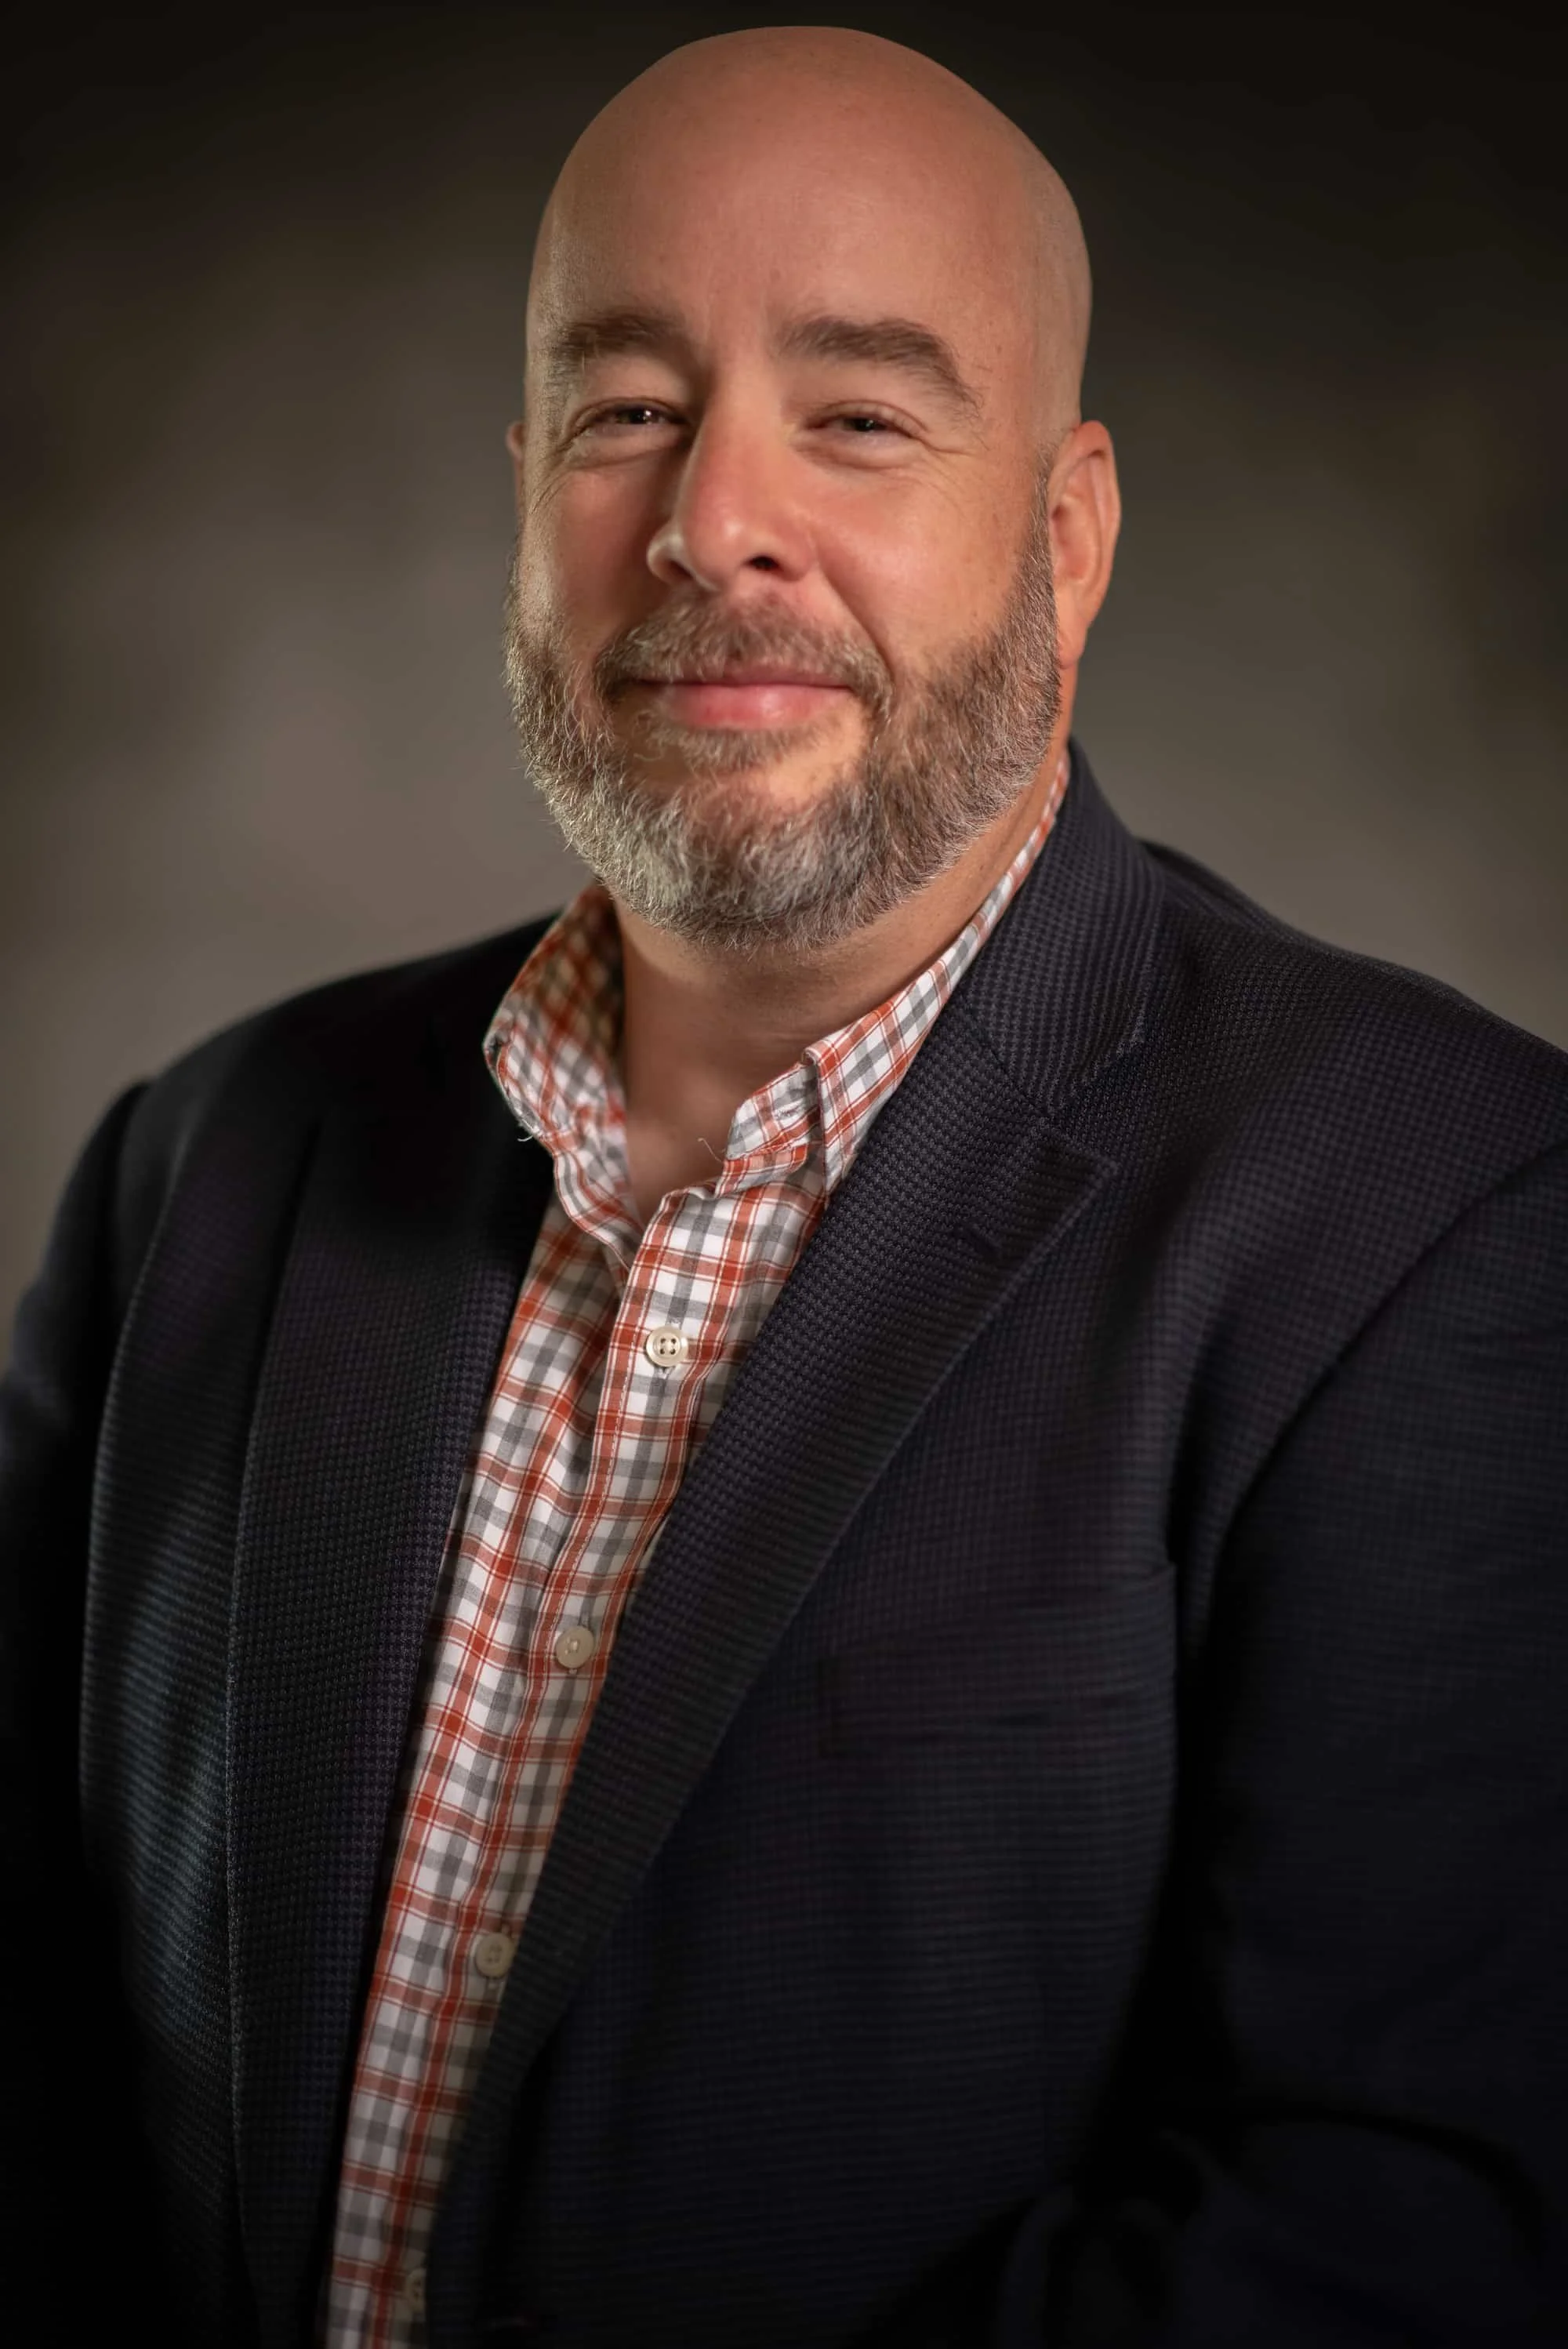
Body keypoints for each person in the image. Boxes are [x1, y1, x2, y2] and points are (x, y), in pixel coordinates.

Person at [2, 24, 1566, 2348]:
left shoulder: (1438, 1214)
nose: (711, 514)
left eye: (857, 413)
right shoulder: (201, 1166)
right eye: (626, 405)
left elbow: (1393, 2230)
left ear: (1069, 534)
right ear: (528, 485)